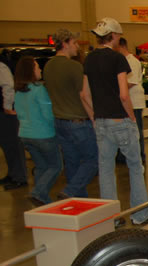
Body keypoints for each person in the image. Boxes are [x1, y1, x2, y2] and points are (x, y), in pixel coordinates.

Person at [82, 17, 148, 226]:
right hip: (120, 120)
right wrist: (131, 117)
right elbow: (124, 94)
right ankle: (140, 214)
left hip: (102, 122)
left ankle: (110, 218)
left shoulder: (89, 60)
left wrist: (94, 117)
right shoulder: (117, 60)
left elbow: (84, 94)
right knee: (135, 166)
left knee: (105, 169)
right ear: (114, 36)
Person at [44, 28, 98, 198]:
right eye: (74, 43)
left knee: (72, 164)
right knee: (93, 160)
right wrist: (94, 118)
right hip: (78, 122)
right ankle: (71, 191)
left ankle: (77, 202)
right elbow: (84, 95)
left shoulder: (48, 66)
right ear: (65, 44)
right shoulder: (74, 67)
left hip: (59, 122)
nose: (77, 47)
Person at [14, 56, 62, 206]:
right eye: (37, 67)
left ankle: (44, 201)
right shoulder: (39, 90)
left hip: (25, 135)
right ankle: (37, 193)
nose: (40, 69)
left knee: (41, 167)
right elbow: (47, 114)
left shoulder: (18, 92)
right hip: (43, 135)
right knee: (55, 166)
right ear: (31, 71)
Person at [0, 59, 28, 191]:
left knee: (13, 145)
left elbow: (9, 86)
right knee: (6, 145)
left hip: (7, 113)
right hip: (4, 112)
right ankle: (12, 174)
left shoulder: (1, 66)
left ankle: (20, 177)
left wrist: (7, 106)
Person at [118, 37, 146, 165]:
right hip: (126, 101)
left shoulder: (133, 61)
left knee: (136, 130)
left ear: (121, 46)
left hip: (135, 101)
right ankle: (125, 156)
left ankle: (140, 155)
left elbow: (131, 82)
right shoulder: (121, 61)